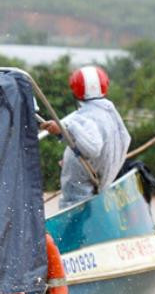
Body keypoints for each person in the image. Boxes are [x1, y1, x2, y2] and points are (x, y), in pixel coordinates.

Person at [41, 64, 131, 208]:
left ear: (75, 91)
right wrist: (63, 134)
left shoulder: (87, 117)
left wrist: (66, 128)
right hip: (94, 185)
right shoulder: (107, 111)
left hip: (80, 197)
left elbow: (92, 148)